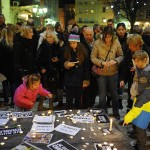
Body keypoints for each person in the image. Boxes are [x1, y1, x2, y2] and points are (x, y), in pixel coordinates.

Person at [91, 26, 124, 119]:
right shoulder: (97, 43)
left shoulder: (116, 42)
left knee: (114, 93)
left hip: (113, 72)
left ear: (112, 36)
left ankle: (116, 111)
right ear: (103, 35)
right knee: (102, 94)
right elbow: (93, 57)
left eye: (110, 37)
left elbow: (121, 55)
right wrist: (101, 63)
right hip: (101, 73)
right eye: (106, 36)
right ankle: (103, 112)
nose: (108, 39)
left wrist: (116, 61)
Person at [123, 50, 150, 150]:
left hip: (146, 106)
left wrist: (129, 116)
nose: (136, 63)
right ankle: (139, 144)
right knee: (139, 127)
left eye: (138, 61)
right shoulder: (143, 68)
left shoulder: (146, 75)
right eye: (135, 61)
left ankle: (141, 147)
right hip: (142, 103)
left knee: (140, 128)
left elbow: (143, 97)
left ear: (145, 60)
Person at [120, 34, 150, 113]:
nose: (129, 47)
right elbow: (125, 66)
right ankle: (129, 118)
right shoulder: (130, 52)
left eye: (131, 45)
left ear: (138, 45)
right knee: (131, 98)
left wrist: (138, 69)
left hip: (145, 82)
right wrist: (122, 79)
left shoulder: (147, 52)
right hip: (133, 80)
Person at [37, 31, 63, 110]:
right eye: (48, 37)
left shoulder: (57, 46)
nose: (50, 39)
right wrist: (41, 68)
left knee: (54, 89)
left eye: (51, 37)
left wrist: (57, 60)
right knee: (44, 88)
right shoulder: (42, 46)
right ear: (45, 38)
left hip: (55, 70)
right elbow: (37, 59)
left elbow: (61, 57)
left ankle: (51, 105)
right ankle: (41, 106)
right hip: (45, 70)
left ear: (54, 37)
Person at [63, 34, 90, 109]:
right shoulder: (66, 50)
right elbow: (62, 61)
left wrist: (86, 79)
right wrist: (67, 64)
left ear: (78, 43)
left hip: (79, 78)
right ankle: (69, 113)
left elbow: (86, 66)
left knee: (78, 99)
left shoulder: (83, 51)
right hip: (69, 78)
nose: (72, 45)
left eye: (74, 43)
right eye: (71, 43)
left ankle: (78, 114)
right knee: (69, 100)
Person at [0, 28, 16, 106]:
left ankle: (6, 100)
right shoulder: (13, 44)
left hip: (3, 67)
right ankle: (13, 100)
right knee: (12, 84)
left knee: (5, 84)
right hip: (12, 67)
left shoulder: (1, 43)